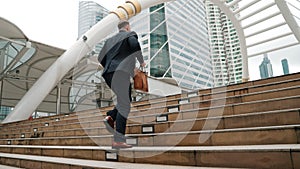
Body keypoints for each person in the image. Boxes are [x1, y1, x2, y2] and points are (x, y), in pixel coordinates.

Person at [98, 20, 146, 149]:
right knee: (125, 104)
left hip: (109, 74)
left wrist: (110, 66)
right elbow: (134, 45)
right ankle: (118, 140)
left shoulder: (109, 40)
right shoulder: (129, 34)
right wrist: (141, 62)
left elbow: (100, 57)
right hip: (121, 73)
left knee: (124, 100)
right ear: (127, 27)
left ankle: (111, 116)